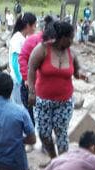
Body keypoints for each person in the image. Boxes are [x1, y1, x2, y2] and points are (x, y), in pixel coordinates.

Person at [28, 20, 86, 158]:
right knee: (44, 133)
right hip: (43, 102)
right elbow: (31, 69)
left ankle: (64, 162)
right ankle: (54, 158)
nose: (72, 41)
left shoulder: (72, 53)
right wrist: (31, 91)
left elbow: (77, 71)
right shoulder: (42, 49)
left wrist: (81, 74)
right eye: (70, 38)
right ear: (62, 37)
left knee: (61, 132)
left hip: (64, 102)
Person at [18, 13, 45, 115]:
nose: (35, 28)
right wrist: (25, 78)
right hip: (29, 84)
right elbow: (19, 59)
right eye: (34, 25)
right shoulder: (31, 40)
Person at [9, 13, 35, 106]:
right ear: (28, 25)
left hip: (23, 79)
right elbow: (15, 62)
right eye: (34, 25)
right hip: (17, 80)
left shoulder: (25, 38)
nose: (35, 28)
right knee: (19, 106)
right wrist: (22, 80)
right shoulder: (17, 38)